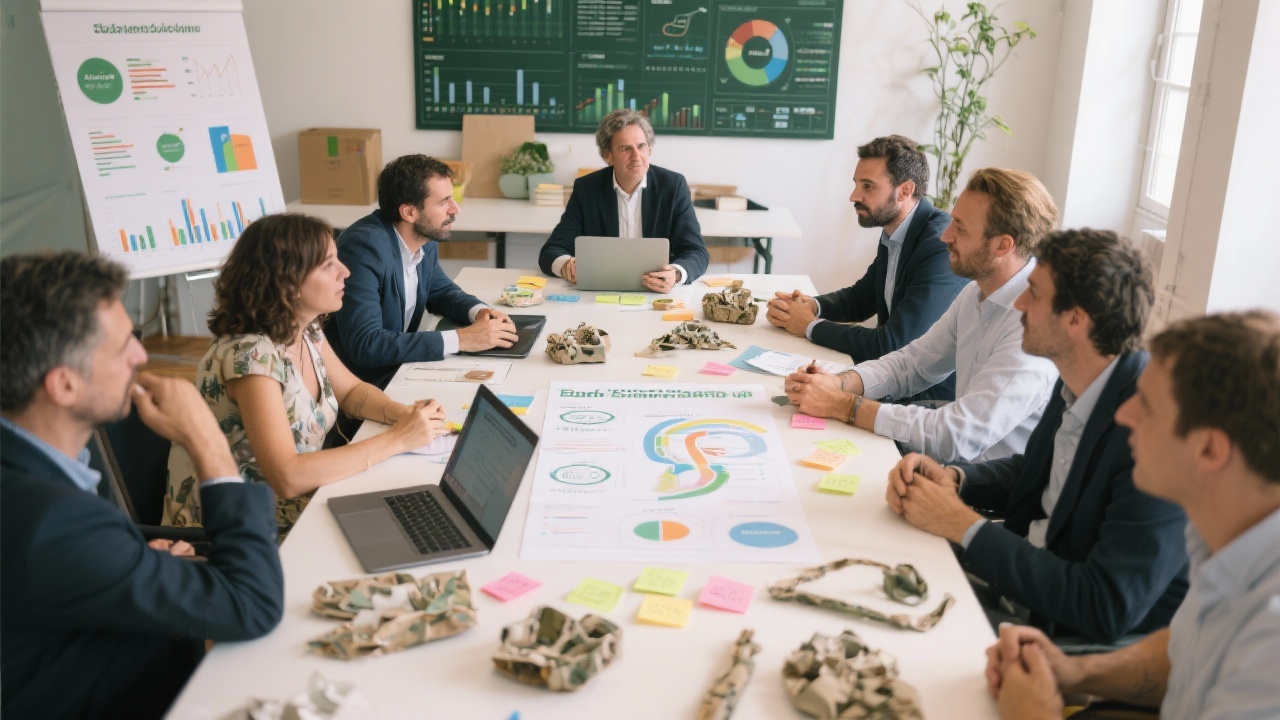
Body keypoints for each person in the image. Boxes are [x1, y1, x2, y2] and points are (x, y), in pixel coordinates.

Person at [0, 252, 284, 720]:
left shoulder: (34, 468)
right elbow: (252, 605)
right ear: (64, 385)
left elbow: (55, 579)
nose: (141, 355)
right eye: (124, 346)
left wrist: (129, 563)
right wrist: (208, 441)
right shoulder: (52, 520)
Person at [885, 229, 1188, 644]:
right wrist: (956, 480)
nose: (1019, 304)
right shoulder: (1078, 380)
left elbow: (1104, 606)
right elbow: (1034, 471)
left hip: (1059, 641)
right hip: (1019, 587)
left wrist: (964, 525)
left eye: (1034, 293)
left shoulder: (1153, 430)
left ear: (1076, 319)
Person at [986, 311, 1280, 720]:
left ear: (1209, 450)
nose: (1125, 415)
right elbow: (1184, 653)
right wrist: (1071, 670)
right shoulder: (1226, 540)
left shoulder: (1271, 641)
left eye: (1150, 406)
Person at [163, 214, 449, 540]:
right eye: (328, 266)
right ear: (288, 282)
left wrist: (405, 415)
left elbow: (352, 392)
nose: (345, 272)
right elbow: (287, 476)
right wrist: (398, 440)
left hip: (289, 507)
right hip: (236, 529)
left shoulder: (304, 326)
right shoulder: (251, 358)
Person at [785, 168, 1059, 463]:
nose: (946, 236)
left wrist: (844, 406)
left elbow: (959, 435)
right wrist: (841, 383)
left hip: (990, 494)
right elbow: (912, 364)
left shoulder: (1034, 327)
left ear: (1003, 245)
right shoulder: (975, 294)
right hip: (957, 468)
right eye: (952, 220)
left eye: (961, 228)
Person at [766, 135, 967, 401]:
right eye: (856, 184)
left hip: (924, 399)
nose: (854, 196)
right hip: (888, 381)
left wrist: (809, 326)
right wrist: (811, 305)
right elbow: (863, 298)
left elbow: (894, 343)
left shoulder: (938, 245)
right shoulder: (896, 231)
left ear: (905, 190)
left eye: (868, 186)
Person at [329, 154, 518, 388]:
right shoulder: (364, 248)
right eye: (443, 202)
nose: (455, 209)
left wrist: (479, 312)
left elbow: (440, 291)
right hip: (361, 384)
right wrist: (462, 339)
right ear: (409, 213)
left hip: (398, 369)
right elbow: (366, 345)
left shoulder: (423, 238)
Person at [538, 109, 709, 292]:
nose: (636, 157)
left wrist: (676, 274)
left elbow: (696, 252)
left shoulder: (673, 186)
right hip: (600, 291)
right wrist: (566, 266)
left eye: (641, 146)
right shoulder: (587, 188)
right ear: (607, 156)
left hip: (654, 292)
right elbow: (551, 250)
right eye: (625, 148)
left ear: (649, 149)